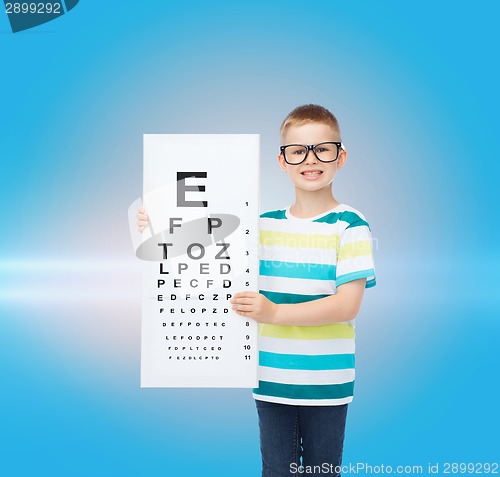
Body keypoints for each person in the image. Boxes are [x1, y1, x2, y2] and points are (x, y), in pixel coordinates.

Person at [137, 104, 376, 476]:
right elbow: (198, 246)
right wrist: (156, 220)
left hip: (327, 382)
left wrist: (276, 313)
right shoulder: (259, 225)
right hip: (269, 379)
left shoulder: (350, 225)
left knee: (323, 472)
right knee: (276, 471)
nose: (310, 160)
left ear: (340, 156)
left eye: (322, 149)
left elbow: (347, 305)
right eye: (298, 151)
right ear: (282, 161)